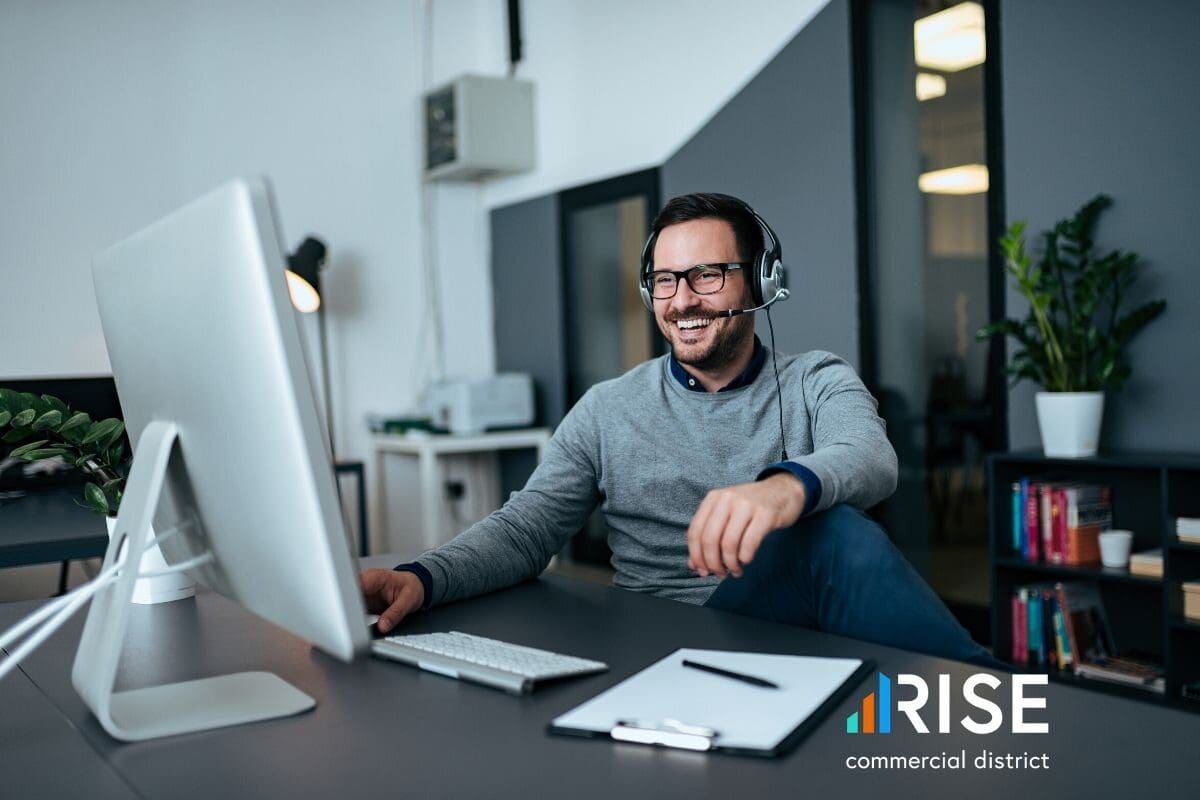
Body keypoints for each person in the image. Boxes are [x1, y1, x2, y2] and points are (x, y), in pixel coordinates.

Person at [361, 192, 994, 666]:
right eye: (665, 280)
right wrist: (423, 577)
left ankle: (994, 703)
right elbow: (527, 529)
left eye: (706, 275)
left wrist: (784, 489)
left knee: (829, 532)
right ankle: (1003, 701)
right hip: (660, 641)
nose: (683, 300)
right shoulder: (608, 407)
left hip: (788, 632)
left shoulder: (815, 379)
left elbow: (871, 457)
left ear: (763, 281)